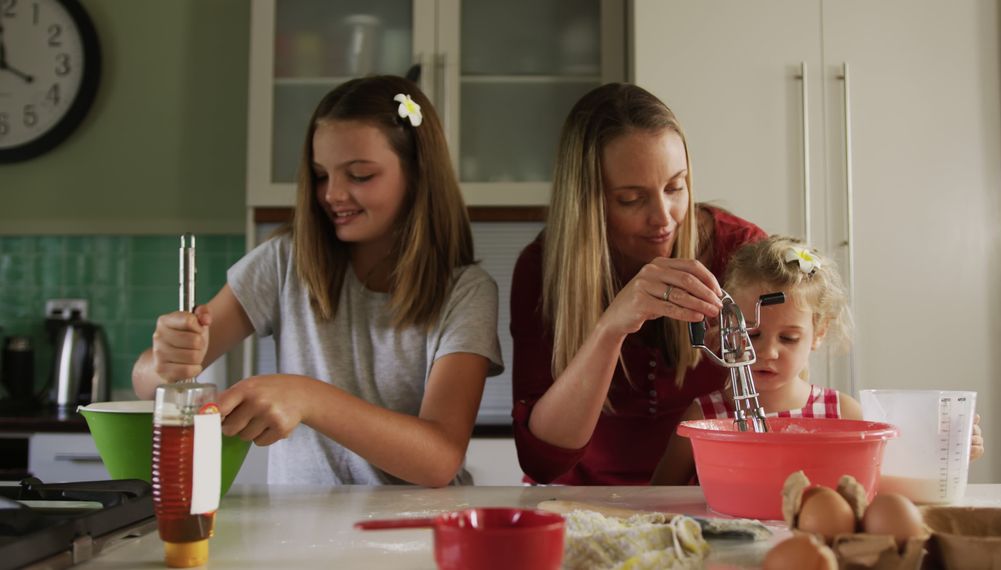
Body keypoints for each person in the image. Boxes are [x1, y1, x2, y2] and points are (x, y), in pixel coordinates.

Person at [132, 76, 503, 487]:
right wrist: (167, 361)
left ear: (418, 174)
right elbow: (147, 382)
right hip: (300, 531)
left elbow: (439, 461)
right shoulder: (283, 262)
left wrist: (308, 397)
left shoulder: (467, 292)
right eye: (321, 175)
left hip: (417, 536)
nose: (333, 194)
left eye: (360, 175)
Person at [510, 82, 767, 485]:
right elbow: (542, 461)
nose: (664, 218)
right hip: (584, 504)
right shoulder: (541, 271)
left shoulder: (741, 252)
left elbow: (786, 400)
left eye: (675, 187)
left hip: (711, 496)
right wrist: (611, 327)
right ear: (588, 202)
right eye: (631, 199)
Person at [651, 235, 984, 484]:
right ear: (725, 329)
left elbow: (893, 481)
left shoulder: (844, 414)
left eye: (788, 338)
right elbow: (658, 498)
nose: (767, 352)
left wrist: (950, 448)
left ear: (819, 332)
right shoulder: (704, 418)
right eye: (751, 335)